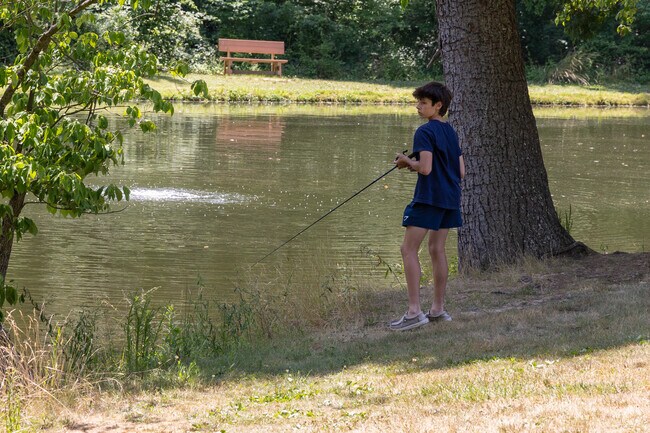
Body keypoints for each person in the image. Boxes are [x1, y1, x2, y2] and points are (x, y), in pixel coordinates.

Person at [389, 81, 465, 331]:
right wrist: (418, 162)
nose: (418, 107)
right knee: (437, 250)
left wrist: (405, 162)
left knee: (408, 250)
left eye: (423, 103)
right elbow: (461, 171)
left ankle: (414, 313)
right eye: (418, 102)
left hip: (429, 197)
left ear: (438, 105)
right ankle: (438, 310)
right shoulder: (450, 132)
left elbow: (426, 168)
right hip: (450, 199)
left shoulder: (424, 132)